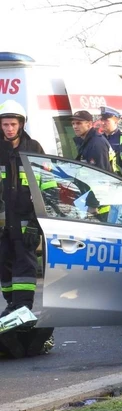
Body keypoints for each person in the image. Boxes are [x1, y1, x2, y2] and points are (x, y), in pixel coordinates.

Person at [0, 101, 47, 317]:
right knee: (4, 266)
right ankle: (11, 305)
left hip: (25, 220)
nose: (8, 128)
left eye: (12, 124)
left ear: (21, 124)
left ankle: (23, 307)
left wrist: (37, 224)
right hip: (2, 222)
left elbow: (47, 187)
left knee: (25, 267)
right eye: (5, 124)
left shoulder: (34, 149)